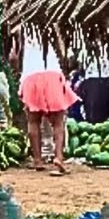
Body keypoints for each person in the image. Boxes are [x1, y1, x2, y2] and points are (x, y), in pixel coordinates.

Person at [15, 31, 79, 175]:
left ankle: (38, 160)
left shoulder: (20, 27)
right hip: (52, 74)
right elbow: (63, 51)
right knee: (58, 122)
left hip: (30, 76)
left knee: (33, 122)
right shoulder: (53, 22)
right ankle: (59, 157)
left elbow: (14, 55)